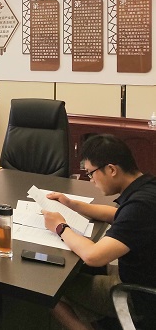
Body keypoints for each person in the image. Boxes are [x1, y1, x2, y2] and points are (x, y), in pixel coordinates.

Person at [42, 134, 156, 330]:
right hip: (143, 275)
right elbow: (117, 215)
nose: (92, 181)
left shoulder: (140, 206)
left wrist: (60, 226)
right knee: (78, 272)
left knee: (51, 287)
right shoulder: (147, 187)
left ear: (111, 169)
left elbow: (94, 256)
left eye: (91, 173)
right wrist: (72, 204)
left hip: (137, 295)